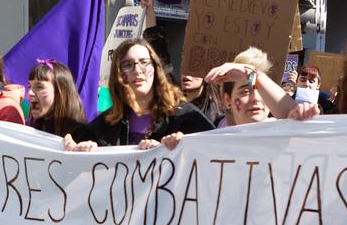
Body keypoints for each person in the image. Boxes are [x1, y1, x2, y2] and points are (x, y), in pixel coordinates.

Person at [65, 37, 213, 151]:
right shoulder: (105, 125)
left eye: (144, 62)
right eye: (128, 65)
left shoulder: (186, 118)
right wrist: (79, 150)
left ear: (155, 68)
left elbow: (214, 155)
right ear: (118, 74)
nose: (137, 70)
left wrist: (183, 146)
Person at [27, 60, 86, 138]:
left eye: (39, 87)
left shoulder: (80, 133)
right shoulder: (35, 125)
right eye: (29, 86)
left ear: (60, 92)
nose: (30, 93)